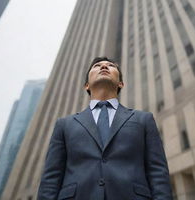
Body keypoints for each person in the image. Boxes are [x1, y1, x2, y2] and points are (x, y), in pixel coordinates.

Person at [38, 56, 173, 200]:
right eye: (97, 66)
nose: (103, 67)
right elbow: (51, 178)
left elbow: (157, 172)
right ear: (86, 86)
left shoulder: (143, 119)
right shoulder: (64, 124)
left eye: (110, 65)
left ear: (120, 83)